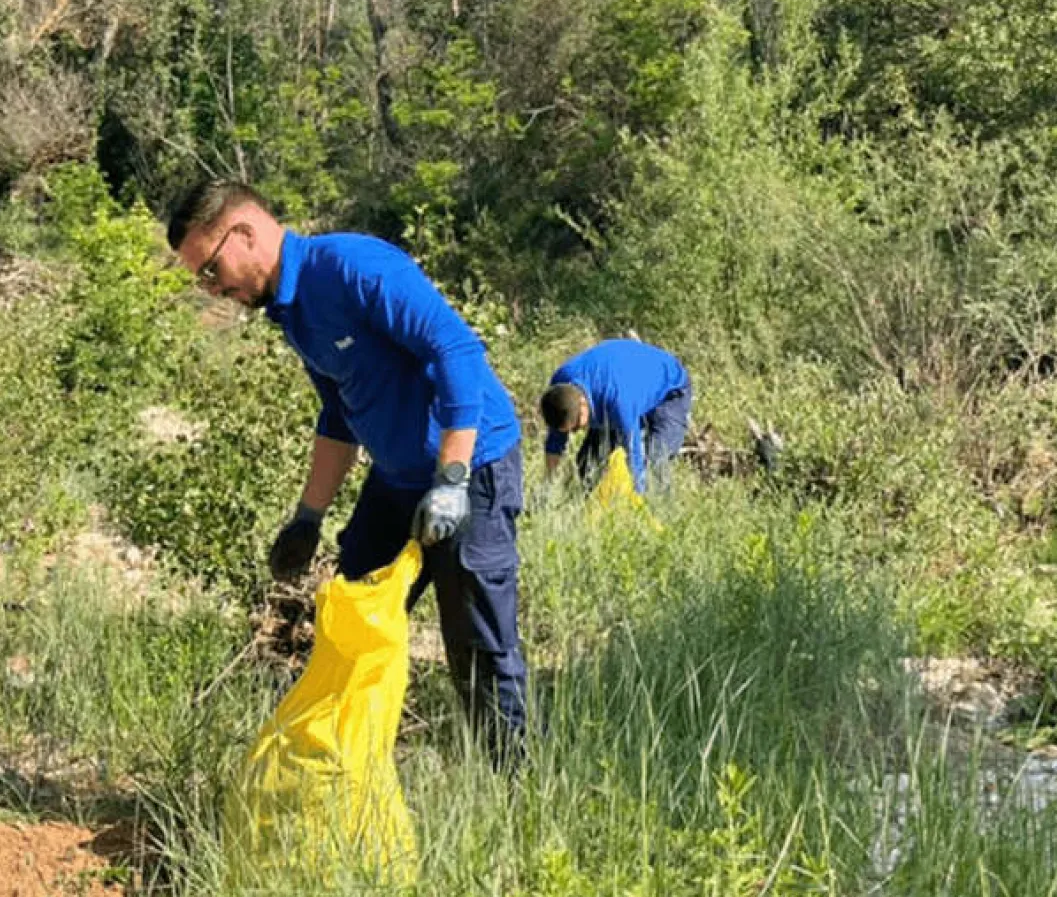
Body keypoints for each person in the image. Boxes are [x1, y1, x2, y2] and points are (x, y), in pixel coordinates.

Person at [166, 181, 525, 764]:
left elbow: (455, 349)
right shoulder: (289, 311)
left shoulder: (352, 267)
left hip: (472, 469)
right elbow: (339, 412)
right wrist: (308, 517)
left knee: (478, 642)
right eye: (201, 279)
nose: (214, 289)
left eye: (212, 268)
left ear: (246, 232)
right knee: (346, 617)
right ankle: (340, 768)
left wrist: (453, 477)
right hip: (395, 477)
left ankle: (512, 785)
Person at [539, 338, 692, 497]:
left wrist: (639, 499)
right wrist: (548, 486)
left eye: (577, 426)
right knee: (589, 463)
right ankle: (593, 507)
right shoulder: (560, 391)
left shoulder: (618, 401)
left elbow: (634, 456)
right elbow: (555, 442)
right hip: (627, 383)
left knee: (654, 465)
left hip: (669, 391)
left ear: (583, 404)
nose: (576, 432)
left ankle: (658, 512)